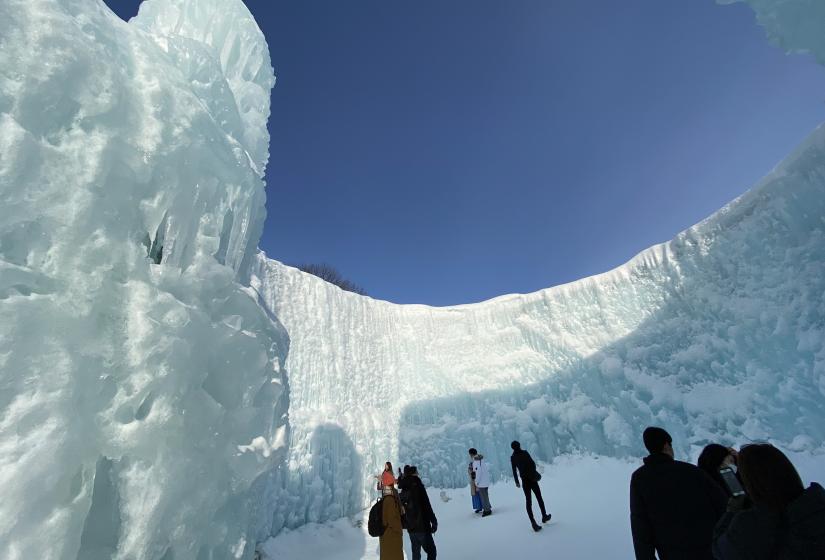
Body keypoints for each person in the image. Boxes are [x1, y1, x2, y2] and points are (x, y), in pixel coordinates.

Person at [713, 443, 825, 560]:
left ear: (750, 481)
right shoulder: (817, 506)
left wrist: (732, 512)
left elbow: (720, 549)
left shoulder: (750, 525)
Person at [629, 426, 727, 560]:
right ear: (666, 446)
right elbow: (722, 505)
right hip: (709, 551)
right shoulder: (692, 472)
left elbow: (640, 524)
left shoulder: (639, 478)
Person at [398, 465, 438, 560]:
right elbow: (426, 505)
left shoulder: (403, 489)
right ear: (413, 474)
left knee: (416, 555)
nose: (418, 474)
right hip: (422, 526)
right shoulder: (418, 485)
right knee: (432, 551)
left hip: (411, 527)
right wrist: (434, 521)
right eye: (417, 472)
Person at [510, 441, 551, 532]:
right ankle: (544, 516)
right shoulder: (524, 453)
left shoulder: (513, 457)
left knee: (529, 501)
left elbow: (514, 470)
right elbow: (532, 463)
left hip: (525, 481)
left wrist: (517, 481)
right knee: (539, 498)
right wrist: (533, 472)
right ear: (519, 446)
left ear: (512, 448)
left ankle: (533, 522)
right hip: (532, 479)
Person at [379, 484, 404, 560]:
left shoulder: (385, 499)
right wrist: (399, 530)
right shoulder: (390, 500)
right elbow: (392, 520)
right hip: (392, 536)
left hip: (386, 535)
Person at [469, 448, 492, 517]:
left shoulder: (476, 461)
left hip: (481, 482)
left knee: (483, 497)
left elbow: (478, 472)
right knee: (485, 496)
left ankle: (487, 511)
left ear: (471, 454)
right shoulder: (481, 460)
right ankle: (487, 508)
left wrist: (476, 482)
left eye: (470, 454)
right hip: (485, 481)